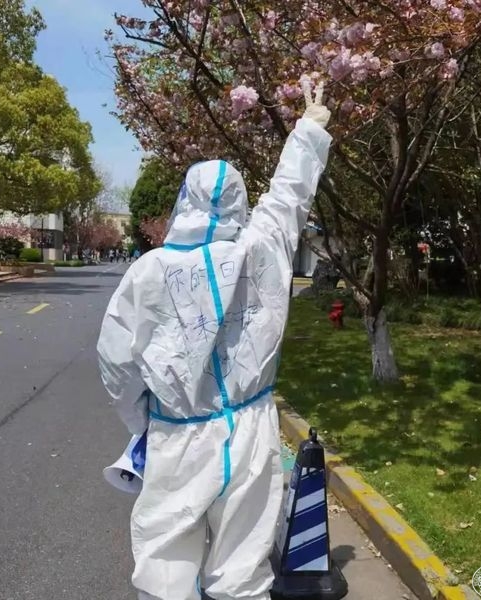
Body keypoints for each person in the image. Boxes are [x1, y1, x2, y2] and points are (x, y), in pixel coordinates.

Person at [97, 81, 332, 600]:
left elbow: (117, 364)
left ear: (183, 202)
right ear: (240, 204)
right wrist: (309, 130)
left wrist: (142, 421)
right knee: (243, 568)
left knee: (166, 566)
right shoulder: (262, 247)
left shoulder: (149, 271)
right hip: (251, 428)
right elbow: (288, 197)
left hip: (178, 435)